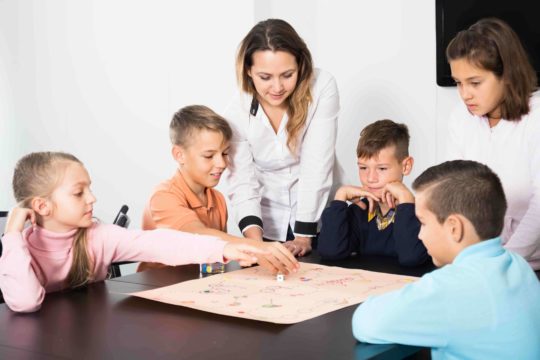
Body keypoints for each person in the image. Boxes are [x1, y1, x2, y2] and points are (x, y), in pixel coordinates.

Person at [0, 152, 268, 313]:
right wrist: (12, 234)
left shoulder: (99, 235)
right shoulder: (19, 251)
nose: (92, 198)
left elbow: (160, 243)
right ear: (42, 206)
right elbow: (25, 303)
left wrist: (224, 249)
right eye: (79, 192)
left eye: (89, 188)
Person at [352, 160, 540, 359]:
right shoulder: (519, 266)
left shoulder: (454, 287)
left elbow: (365, 322)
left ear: (454, 228)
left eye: (423, 223)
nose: (419, 235)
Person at [224, 18, 339, 257]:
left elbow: (316, 164)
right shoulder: (237, 111)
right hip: (265, 220)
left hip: (314, 215)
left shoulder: (321, 88)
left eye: (287, 75)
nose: (277, 87)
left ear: (301, 65)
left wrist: (304, 235)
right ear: (248, 71)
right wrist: (258, 246)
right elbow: (242, 181)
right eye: (265, 77)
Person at [138, 105, 298, 274]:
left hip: (199, 287)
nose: (221, 164)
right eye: (209, 155)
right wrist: (258, 247)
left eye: (225, 153)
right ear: (179, 155)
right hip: (158, 289)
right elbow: (197, 235)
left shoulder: (217, 200)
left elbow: (217, 254)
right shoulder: (163, 196)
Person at [446, 17, 540, 269]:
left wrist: (501, 264)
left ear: (507, 75)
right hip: (481, 263)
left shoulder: (536, 118)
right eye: (458, 83)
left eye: (475, 83)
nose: (465, 94)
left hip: (526, 266)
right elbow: (456, 194)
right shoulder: (460, 118)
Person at [318, 120, 428, 266]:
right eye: (363, 168)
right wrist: (340, 197)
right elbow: (330, 252)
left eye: (382, 169)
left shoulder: (425, 215)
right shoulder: (358, 212)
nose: (370, 179)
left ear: (406, 166)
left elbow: (411, 258)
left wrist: (406, 199)